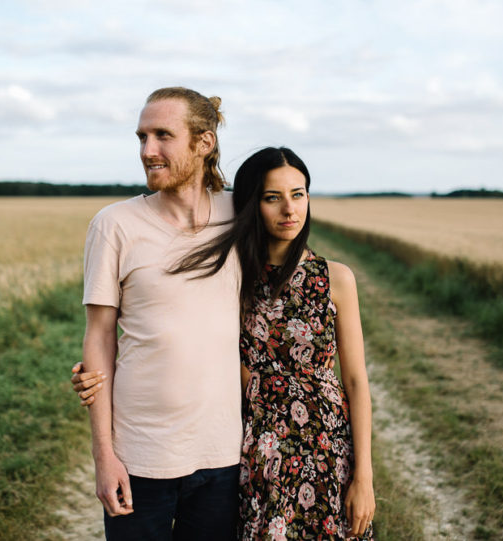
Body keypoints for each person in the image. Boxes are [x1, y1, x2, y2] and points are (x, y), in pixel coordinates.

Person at [76, 146, 375, 539]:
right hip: (255, 449)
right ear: (252, 204)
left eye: (299, 194)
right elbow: (183, 332)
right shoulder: (233, 274)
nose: (289, 209)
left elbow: (355, 382)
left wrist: (364, 476)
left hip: (326, 445)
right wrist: (96, 374)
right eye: (273, 198)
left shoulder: (336, 278)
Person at [77, 86, 243, 540]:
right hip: (139, 457)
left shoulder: (239, 216)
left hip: (223, 455)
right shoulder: (114, 225)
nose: (148, 151)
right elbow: (98, 339)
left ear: (203, 142)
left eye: (163, 136)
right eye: (141, 138)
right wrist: (104, 456)